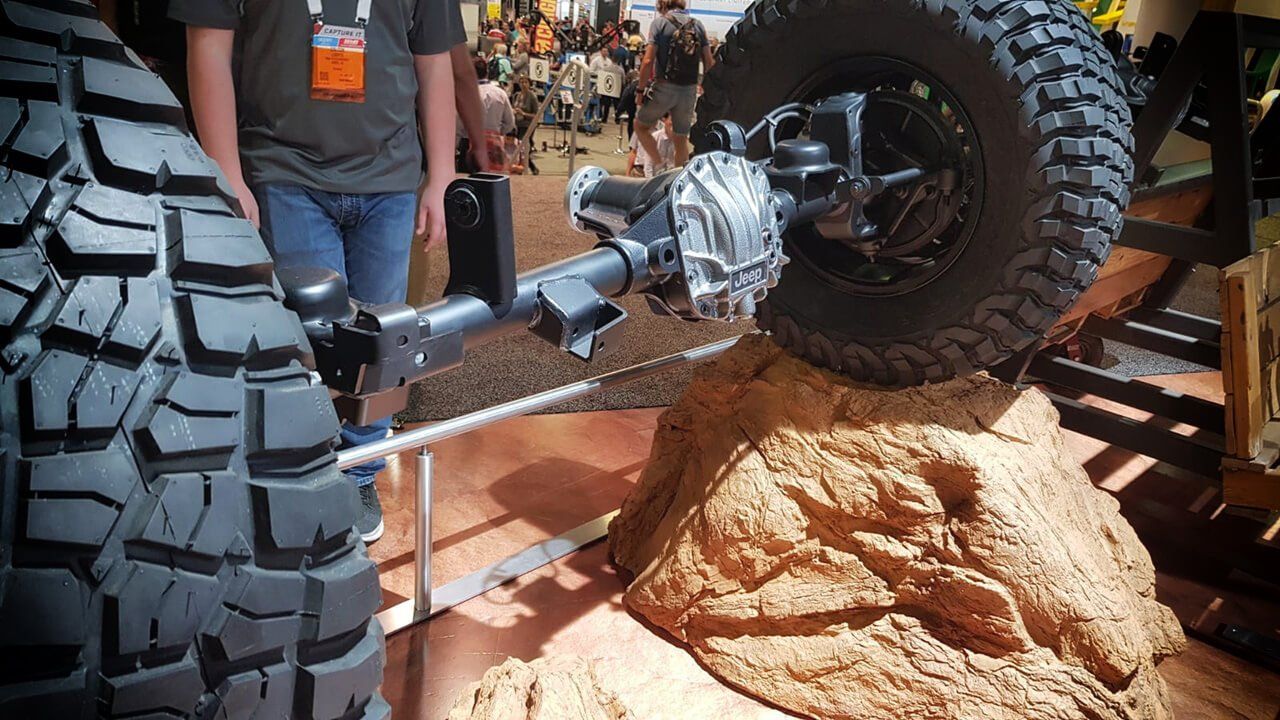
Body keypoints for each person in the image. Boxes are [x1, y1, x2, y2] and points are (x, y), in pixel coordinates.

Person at [174, 0, 457, 544]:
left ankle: (360, 473)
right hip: (284, 169)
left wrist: (443, 171)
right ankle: (308, 469)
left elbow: (434, 58)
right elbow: (207, 40)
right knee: (307, 344)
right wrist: (225, 169)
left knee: (381, 338)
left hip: (390, 175)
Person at [635, 0, 714, 169]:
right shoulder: (698, 25)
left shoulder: (659, 24)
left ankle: (658, 165)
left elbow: (648, 61)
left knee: (640, 127)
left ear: (662, 5)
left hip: (665, 87)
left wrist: (640, 91)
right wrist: (707, 90)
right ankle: (678, 177)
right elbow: (709, 62)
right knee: (681, 140)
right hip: (689, 90)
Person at [458, 56, 516, 171]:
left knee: (468, 179)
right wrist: (495, 132)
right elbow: (510, 123)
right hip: (494, 145)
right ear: (487, 72)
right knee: (492, 178)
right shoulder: (500, 93)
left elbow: (458, 125)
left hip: (469, 143)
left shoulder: (465, 94)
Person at [511, 74, 542, 175]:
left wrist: (523, 113)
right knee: (518, 147)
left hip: (527, 125)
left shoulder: (532, 97)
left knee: (523, 147)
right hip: (517, 124)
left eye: (525, 82)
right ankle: (525, 166)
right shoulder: (516, 95)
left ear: (529, 84)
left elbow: (536, 115)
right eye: (521, 82)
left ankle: (530, 167)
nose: (523, 84)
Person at [589, 47, 621, 124]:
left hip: (607, 83)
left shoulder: (609, 61)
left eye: (606, 51)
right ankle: (599, 115)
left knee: (607, 101)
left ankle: (606, 117)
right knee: (599, 100)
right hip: (597, 81)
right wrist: (600, 74)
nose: (605, 52)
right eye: (604, 51)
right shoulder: (596, 60)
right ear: (601, 52)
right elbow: (590, 71)